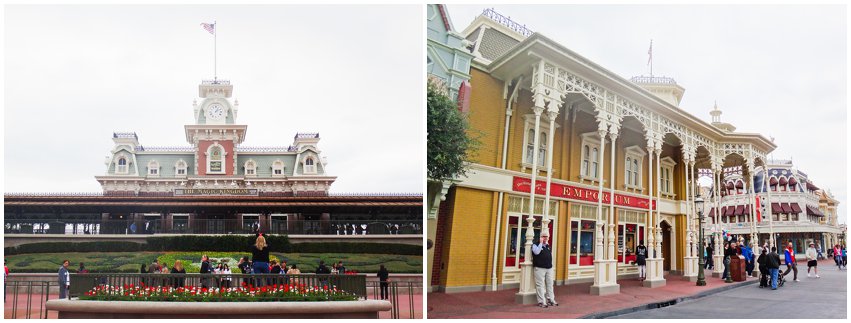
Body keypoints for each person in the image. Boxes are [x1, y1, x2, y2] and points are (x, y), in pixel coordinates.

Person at [532, 231, 556, 308]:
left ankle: (551, 300)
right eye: (544, 236)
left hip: (549, 268)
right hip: (539, 268)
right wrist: (540, 243)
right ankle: (541, 301)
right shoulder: (535, 245)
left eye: (547, 237)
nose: (545, 238)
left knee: (550, 284)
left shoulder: (548, 246)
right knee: (540, 285)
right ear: (540, 237)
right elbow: (536, 252)